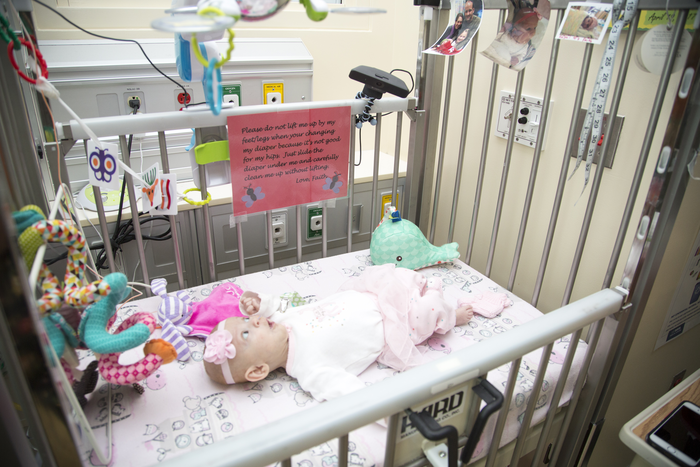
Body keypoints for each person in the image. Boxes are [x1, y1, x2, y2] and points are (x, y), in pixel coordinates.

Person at [202, 264, 474, 401]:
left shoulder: (284, 322)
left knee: (403, 275)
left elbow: (274, 307)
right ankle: (452, 316)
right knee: (426, 312)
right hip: (393, 329)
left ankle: (424, 292)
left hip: (374, 295)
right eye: (247, 334)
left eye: (246, 321)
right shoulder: (309, 370)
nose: (256, 321)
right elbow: (350, 394)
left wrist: (256, 302)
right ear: (258, 370)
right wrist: (387, 413)